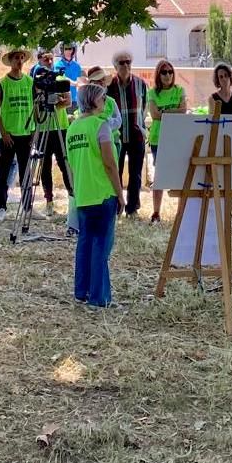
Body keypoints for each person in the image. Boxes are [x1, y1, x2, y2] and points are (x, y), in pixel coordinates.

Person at [67, 80, 126, 308]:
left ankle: (81, 292)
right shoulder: (100, 126)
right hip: (102, 193)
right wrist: (120, 194)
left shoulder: (72, 128)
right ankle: (99, 298)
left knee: (85, 244)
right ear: (93, 101)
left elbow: (71, 164)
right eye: (102, 98)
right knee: (101, 246)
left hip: (83, 194)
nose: (105, 102)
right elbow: (110, 164)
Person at [0, 48, 44, 222]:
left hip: (26, 134)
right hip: (8, 135)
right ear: (10, 60)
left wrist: (34, 130)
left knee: (26, 173)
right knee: (4, 173)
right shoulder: (2, 83)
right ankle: (1, 207)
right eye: (16, 58)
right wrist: (4, 132)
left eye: (22, 58)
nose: (19, 61)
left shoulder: (30, 82)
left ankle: (28, 207)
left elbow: (35, 107)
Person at [106, 49, 148, 218]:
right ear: (115, 66)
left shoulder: (140, 84)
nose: (125, 65)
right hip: (116, 136)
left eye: (128, 62)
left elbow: (143, 108)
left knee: (136, 174)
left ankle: (132, 208)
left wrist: (141, 126)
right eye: (121, 63)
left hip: (136, 135)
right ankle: (116, 207)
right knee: (115, 172)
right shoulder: (109, 86)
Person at [147, 59, 186, 223]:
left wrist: (165, 111)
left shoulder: (179, 90)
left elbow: (183, 110)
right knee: (160, 176)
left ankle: (181, 213)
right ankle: (156, 212)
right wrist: (172, 110)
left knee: (181, 176)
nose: (168, 75)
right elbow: (154, 115)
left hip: (177, 137)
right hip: (158, 138)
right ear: (158, 74)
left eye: (170, 72)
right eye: (164, 72)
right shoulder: (153, 92)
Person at [36, 54, 74, 217]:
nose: (49, 62)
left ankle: (73, 199)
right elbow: (36, 102)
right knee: (44, 166)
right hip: (44, 127)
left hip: (61, 126)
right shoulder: (37, 80)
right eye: (45, 59)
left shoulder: (61, 77)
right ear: (39, 61)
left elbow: (68, 101)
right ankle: (49, 201)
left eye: (51, 59)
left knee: (65, 163)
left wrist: (56, 102)